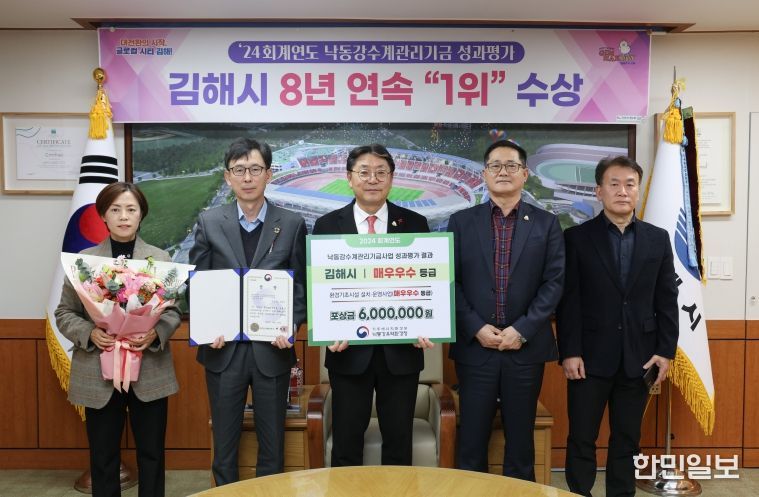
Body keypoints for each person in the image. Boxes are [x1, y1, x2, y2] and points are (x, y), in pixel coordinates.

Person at [557, 155, 678, 497]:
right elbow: (569, 301)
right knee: (582, 436)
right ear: (599, 191)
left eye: (630, 184)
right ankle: (578, 493)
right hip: (588, 358)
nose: (622, 191)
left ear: (638, 190)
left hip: (639, 357)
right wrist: (570, 351)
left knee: (627, 438)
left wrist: (665, 351)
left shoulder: (657, 238)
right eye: (614, 184)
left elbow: (667, 299)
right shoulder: (576, 238)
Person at [189, 137, 307, 485]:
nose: (247, 177)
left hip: (272, 349)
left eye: (255, 169)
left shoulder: (291, 223)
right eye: (239, 170)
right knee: (224, 446)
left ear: (269, 174)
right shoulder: (210, 221)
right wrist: (206, 327)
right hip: (223, 350)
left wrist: (292, 325)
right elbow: (198, 282)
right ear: (228, 177)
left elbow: (300, 286)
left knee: (272, 445)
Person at [447, 139, 564, 480]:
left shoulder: (546, 224)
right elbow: (448, 281)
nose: (503, 171)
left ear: (524, 174)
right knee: (471, 441)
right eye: (495, 165)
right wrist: (475, 327)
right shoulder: (461, 221)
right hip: (476, 348)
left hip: (524, 349)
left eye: (511, 165)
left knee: (521, 442)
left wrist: (522, 330)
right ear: (484, 174)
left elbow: (554, 283)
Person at [55, 182, 181, 497]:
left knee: (152, 454)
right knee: (103, 456)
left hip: (148, 367)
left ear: (141, 215)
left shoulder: (159, 258)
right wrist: (89, 332)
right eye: (115, 209)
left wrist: (155, 332)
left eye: (131, 209)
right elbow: (64, 313)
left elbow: (172, 312)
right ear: (103, 215)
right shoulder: (83, 260)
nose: (123, 216)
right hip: (99, 368)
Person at [312, 143, 433, 467]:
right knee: (346, 445)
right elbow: (317, 288)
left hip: (402, 353)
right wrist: (327, 328)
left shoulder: (415, 223)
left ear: (391, 178)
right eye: (364, 172)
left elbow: (427, 284)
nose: (372, 179)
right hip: (348, 354)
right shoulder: (327, 226)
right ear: (349, 178)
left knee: (399, 446)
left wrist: (427, 324)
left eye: (381, 172)